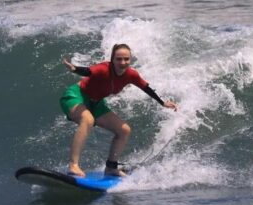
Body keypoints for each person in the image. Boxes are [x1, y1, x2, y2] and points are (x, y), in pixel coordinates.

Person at [60, 43, 178, 177]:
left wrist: (163, 102)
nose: (123, 62)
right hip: (77, 96)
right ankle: (73, 165)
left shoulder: (131, 75)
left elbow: (146, 88)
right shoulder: (103, 68)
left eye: (126, 59)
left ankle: (111, 167)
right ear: (112, 59)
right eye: (119, 59)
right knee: (87, 119)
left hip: (96, 103)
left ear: (130, 59)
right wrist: (75, 69)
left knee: (124, 130)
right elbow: (88, 71)